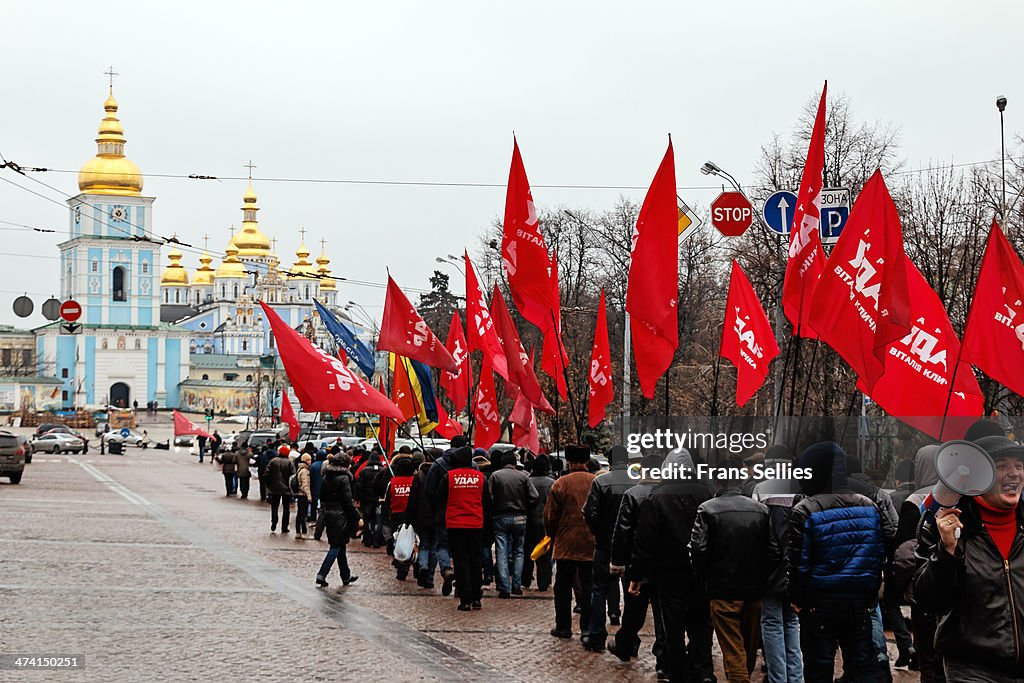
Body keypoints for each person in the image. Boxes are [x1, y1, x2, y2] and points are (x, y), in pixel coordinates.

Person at [914, 434, 1024, 681]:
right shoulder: (946, 528)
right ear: (978, 478)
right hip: (972, 669)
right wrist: (947, 552)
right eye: (1001, 467)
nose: (1014, 474)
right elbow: (929, 601)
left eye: (1018, 466)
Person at [788, 442, 895, 683]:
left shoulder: (805, 509)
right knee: (862, 667)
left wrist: (797, 597)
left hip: (819, 605)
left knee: (818, 669)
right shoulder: (870, 506)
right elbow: (886, 546)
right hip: (860, 601)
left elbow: (798, 562)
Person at [690, 456, 778, 683]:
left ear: (717, 481)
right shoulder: (760, 510)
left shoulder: (707, 509)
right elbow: (774, 550)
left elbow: (698, 549)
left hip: (722, 590)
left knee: (733, 649)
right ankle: (742, 677)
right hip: (754, 590)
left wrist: (704, 577)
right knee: (746, 649)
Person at [631, 449, 714, 683]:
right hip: (701, 572)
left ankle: (677, 671)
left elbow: (644, 539)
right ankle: (704, 670)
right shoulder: (707, 494)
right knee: (701, 624)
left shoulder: (657, 497)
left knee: (673, 627)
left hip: (669, 572)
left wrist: (637, 574)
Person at [608, 452, 669, 677]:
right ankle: (663, 660)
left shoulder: (632, 494)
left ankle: (626, 645)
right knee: (663, 614)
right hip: (663, 564)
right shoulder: (667, 494)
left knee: (634, 611)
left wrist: (618, 562)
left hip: (637, 563)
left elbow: (622, 531)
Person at [751, 445, 803, 683]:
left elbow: (757, 531)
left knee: (771, 624)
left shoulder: (760, 489)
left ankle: (777, 679)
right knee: (792, 622)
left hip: (770, 569)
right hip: (795, 567)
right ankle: (796, 677)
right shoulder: (801, 490)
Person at [581, 444, 635, 652]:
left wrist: (599, 533)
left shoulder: (601, 482)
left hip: (605, 544)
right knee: (633, 593)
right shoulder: (637, 482)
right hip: (630, 546)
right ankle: (630, 640)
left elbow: (589, 512)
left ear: (610, 462)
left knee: (599, 590)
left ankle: (596, 636)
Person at [544, 444, 597, 640]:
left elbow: (550, 517)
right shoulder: (596, 482)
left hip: (566, 543)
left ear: (569, 462)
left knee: (562, 586)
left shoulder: (560, 484)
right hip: (590, 542)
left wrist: (552, 535)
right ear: (587, 461)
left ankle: (563, 626)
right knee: (589, 586)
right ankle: (587, 627)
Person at [438, 445, 491, 611]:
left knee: (461, 561)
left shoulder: (449, 477)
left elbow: (440, 499)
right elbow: (487, 502)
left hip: (455, 524)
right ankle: (476, 596)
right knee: (475, 560)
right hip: (475, 523)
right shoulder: (481, 478)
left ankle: (465, 597)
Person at [487, 450, 538, 599]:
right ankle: (516, 585)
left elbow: (489, 497)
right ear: (515, 464)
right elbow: (534, 496)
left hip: (501, 517)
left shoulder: (495, 476)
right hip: (520, 517)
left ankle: (504, 586)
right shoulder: (524, 477)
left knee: (501, 552)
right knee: (519, 551)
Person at [425, 435, 470, 596]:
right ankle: (461, 583)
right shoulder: (471, 465)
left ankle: (446, 569)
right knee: (462, 550)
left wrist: (437, 504)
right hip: (467, 513)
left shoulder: (439, 465)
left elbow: (429, 490)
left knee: (442, 545)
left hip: (443, 512)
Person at [316, 453, 360, 588]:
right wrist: (357, 517)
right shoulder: (344, 479)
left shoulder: (326, 477)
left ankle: (345, 575)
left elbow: (322, 497)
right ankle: (321, 574)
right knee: (336, 546)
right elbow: (347, 501)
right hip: (340, 514)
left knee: (340, 546)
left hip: (329, 513)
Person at [522, 454, 555, 591]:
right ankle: (544, 581)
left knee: (528, 551)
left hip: (529, 521)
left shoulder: (527, 481)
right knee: (545, 553)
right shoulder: (552, 482)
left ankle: (525, 579)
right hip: (547, 522)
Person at [407, 455, 437, 589]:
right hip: (437, 517)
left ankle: (423, 565)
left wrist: (409, 517)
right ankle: (430, 578)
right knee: (434, 547)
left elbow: (412, 499)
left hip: (421, 516)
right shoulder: (442, 474)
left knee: (424, 544)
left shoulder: (419, 476)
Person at [385, 455, 416, 580]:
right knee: (414, 541)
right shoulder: (416, 481)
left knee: (399, 542)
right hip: (413, 515)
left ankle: (402, 569)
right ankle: (415, 564)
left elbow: (387, 502)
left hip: (397, 515)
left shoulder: (392, 483)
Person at [355, 451, 385, 547]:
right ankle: (376, 541)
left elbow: (360, 487)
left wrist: (358, 498)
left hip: (367, 500)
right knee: (378, 521)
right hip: (379, 500)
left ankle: (368, 540)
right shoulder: (383, 470)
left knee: (367, 520)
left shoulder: (364, 471)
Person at [265, 444, 295, 534]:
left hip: (274, 488)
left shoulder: (273, 461)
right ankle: (284, 526)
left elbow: (266, 473)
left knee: (274, 506)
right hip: (286, 488)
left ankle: (274, 521)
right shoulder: (290, 462)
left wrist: (269, 485)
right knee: (286, 508)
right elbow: (293, 476)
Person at [294, 454, 312, 539]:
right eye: (308, 460)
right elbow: (305, 485)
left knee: (299, 514)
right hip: (303, 495)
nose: (310, 462)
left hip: (300, 494)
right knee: (303, 514)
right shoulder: (305, 471)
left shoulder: (300, 469)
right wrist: (309, 496)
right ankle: (303, 532)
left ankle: (298, 531)